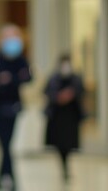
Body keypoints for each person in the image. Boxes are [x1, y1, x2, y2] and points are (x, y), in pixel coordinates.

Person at [0, 24, 32, 190]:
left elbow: (27, 77)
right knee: (5, 143)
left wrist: (9, 79)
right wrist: (11, 79)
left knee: (7, 144)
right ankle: (8, 177)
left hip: (13, 107)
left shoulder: (21, 59)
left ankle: (4, 177)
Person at [43, 54, 84, 184]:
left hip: (71, 117)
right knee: (60, 143)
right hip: (57, 117)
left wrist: (71, 95)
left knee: (69, 144)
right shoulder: (54, 78)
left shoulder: (76, 79)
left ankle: (66, 165)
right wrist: (58, 97)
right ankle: (64, 166)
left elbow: (81, 92)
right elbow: (47, 92)